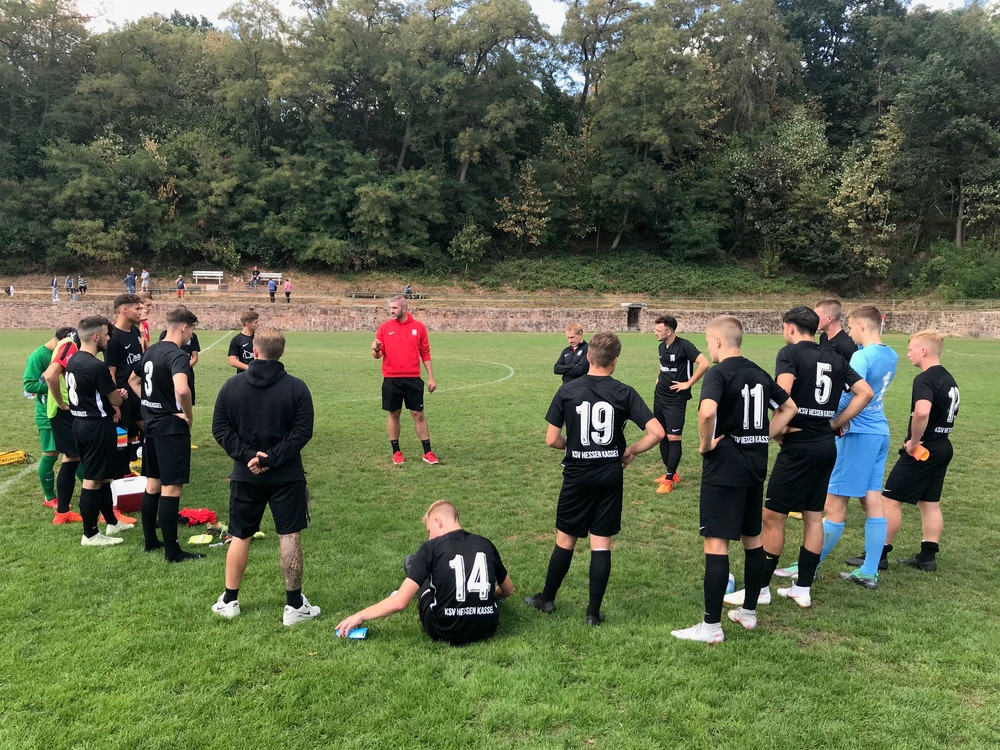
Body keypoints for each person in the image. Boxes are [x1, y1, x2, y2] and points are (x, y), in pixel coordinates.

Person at [725, 307, 871, 612]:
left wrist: (774, 431)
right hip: (825, 445)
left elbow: (784, 397)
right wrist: (835, 422)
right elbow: (865, 393)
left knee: (772, 516)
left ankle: (760, 589)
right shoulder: (836, 357)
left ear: (790, 328)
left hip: (799, 446)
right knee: (813, 515)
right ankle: (802, 588)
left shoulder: (789, 354)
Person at [525, 332, 665, 625]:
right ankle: (592, 613)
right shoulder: (625, 392)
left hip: (577, 475)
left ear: (588, 357)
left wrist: (573, 443)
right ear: (615, 361)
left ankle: (547, 599)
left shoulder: (568, 390)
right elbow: (657, 432)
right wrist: (632, 450)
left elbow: (551, 439)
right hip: (609, 474)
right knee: (601, 543)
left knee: (565, 540)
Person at [671, 316, 796, 643]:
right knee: (752, 540)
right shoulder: (758, 372)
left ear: (716, 341)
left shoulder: (718, 373)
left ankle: (711, 627)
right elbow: (789, 407)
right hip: (754, 466)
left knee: (716, 544)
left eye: (707, 341)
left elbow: (707, 412)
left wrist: (704, 445)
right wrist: (763, 435)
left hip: (725, 468)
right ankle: (748, 612)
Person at [211, 328, 317, 625]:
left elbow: (220, 429)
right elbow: (301, 432)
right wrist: (259, 456)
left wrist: (253, 457)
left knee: (240, 535)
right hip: (283, 473)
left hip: (251, 474)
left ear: (254, 351)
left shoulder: (232, 386)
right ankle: (293, 606)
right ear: (281, 353)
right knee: (288, 534)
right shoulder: (297, 388)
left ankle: (230, 600)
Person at [335, 501, 515, 644]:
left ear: (438, 521)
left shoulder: (431, 547)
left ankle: (414, 568)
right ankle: (418, 569)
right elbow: (508, 590)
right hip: (486, 628)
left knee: (427, 580)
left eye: (429, 531)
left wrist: (359, 615)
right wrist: (485, 594)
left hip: (443, 629)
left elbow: (399, 602)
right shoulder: (486, 544)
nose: (429, 537)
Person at [815, 305, 899, 589]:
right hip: (879, 432)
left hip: (858, 433)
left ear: (862, 325)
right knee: (872, 500)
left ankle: (808, 566)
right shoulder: (891, 354)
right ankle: (869, 571)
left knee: (834, 504)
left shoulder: (862, 356)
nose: (850, 333)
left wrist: (831, 421)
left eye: (851, 327)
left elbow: (851, 394)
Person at [881, 330, 959, 572]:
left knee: (889, 499)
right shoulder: (949, 378)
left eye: (911, 349)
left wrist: (914, 442)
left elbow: (922, 412)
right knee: (929, 502)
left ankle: (878, 554)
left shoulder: (925, 379)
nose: (908, 354)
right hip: (943, 445)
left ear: (923, 351)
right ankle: (927, 556)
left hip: (924, 448)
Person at [130, 306, 203, 562]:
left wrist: (150, 402)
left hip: (151, 426)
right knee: (171, 488)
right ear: (184, 327)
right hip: (171, 429)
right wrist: (187, 415)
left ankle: (151, 541)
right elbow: (182, 390)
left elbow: (133, 381)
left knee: (153, 484)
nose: (191, 336)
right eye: (191, 331)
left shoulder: (152, 350)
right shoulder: (178, 355)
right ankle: (173, 551)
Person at [66, 316, 132, 546]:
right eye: (106, 335)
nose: (108, 339)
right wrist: (121, 395)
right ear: (96, 337)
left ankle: (112, 522)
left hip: (80, 423)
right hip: (96, 426)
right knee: (92, 480)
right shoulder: (96, 366)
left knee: (103, 477)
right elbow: (114, 399)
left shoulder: (73, 360)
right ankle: (90, 534)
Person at [372, 294, 438, 465]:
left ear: (404, 308)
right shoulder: (385, 327)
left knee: (418, 414)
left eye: (394, 308)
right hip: (391, 378)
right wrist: (376, 349)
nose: (391, 311)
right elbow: (377, 355)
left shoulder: (419, 327)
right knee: (394, 413)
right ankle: (396, 452)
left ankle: (428, 452)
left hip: (413, 378)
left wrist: (431, 377)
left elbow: (425, 352)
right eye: (390, 308)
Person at [651, 315, 711, 495]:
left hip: (675, 399)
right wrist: (659, 378)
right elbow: (662, 365)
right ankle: (671, 473)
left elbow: (704, 363)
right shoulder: (661, 346)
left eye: (658, 330)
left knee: (674, 437)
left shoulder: (685, 346)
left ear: (669, 332)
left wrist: (688, 383)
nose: (655, 333)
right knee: (661, 435)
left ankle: (669, 480)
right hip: (659, 397)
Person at [23, 327, 78, 515]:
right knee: (51, 453)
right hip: (47, 414)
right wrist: (56, 387)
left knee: (74, 452)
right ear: (62, 340)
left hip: (65, 412)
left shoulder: (66, 352)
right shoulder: (38, 356)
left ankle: (92, 488)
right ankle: (49, 497)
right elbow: (29, 384)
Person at [43, 329, 89, 524]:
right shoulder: (69, 345)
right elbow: (50, 376)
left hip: (64, 410)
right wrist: (61, 403)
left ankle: (63, 512)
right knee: (72, 458)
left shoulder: (67, 344)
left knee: (71, 458)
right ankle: (62, 512)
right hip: (63, 411)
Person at [105, 293, 145, 480]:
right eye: (137, 308)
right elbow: (110, 372)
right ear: (124, 309)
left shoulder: (135, 331)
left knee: (146, 429)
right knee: (121, 438)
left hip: (138, 393)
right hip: (123, 396)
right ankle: (119, 476)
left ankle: (131, 469)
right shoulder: (113, 338)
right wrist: (115, 403)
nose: (141, 311)